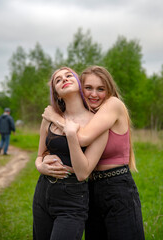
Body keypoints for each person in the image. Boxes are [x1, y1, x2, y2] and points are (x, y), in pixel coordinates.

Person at [42, 66, 145, 240]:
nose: (94, 94)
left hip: (117, 186)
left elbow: (80, 138)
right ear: (81, 90)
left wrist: (54, 117)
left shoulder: (113, 104)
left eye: (101, 89)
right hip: (89, 188)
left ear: (109, 90)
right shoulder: (88, 115)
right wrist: (42, 161)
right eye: (88, 88)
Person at [33, 67, 108, 240]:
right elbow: (39, 155)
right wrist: (41, 167)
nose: (64, 79)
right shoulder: (48, 118)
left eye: (68, 75)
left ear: (79, 84)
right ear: (57, 94)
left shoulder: (97, 122)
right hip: (43, 191)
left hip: (73, 197)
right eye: (58, 80)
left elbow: (84, 173)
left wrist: (71, 133)